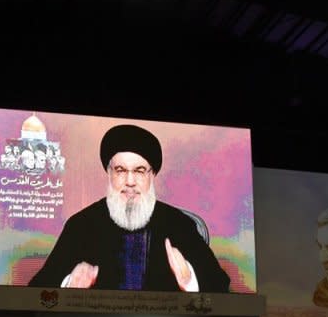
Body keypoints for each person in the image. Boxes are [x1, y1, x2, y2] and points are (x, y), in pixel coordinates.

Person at [28, 124, 231, 292]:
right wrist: (69, 286)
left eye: (140, 171)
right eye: (120, 170)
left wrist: (189, 280)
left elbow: (221, 286)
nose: (130, 181)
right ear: (109, 173)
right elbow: (38, 290)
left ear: (153, 175)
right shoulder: (81, 225)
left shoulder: (179, 225)